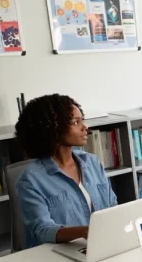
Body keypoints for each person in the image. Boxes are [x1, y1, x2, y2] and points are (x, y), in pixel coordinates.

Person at [14, 94, 117, 248]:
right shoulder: (30, 181)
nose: (85, 127)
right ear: (53, 129)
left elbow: (112, 205)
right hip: (57, 255)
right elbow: (42, 230)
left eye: (82, 120)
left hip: (98, 246)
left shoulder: (92, 162)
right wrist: (83, 232)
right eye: (75, 122)